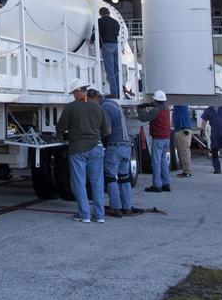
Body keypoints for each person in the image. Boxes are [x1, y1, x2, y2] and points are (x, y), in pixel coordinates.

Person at [55, 78, 109, 223]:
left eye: (73, 92)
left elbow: (61, 127)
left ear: (78, 92)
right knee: (97, 181)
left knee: (79, 182)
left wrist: (59, 136)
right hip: (96, 148)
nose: (73, 95)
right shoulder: (98, 107)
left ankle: (84, 214)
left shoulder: (71, 107)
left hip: (78, 149)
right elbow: (106, 130)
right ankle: (99, 215)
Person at [93, 88, 140, 217]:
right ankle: (127, 207)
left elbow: (107, 130)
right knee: (124, 177)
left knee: (110, 176)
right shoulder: (114, 104)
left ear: (96, 99)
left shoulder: (104, 108)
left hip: (115, 145)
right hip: (127, 144)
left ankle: (115, 207)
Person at [145, 91, 173, 193]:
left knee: (156, 162)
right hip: (166, 138)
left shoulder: (155, 111)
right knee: (163, 161)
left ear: (155, 100)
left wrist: (140, 109)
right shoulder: (166, 110)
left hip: (158, 139)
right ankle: (166, 184)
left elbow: (144, 118)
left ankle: (156, 185)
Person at [201, 102, 222, 174]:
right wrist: (202, 130)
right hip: (215, 134)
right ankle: (217, 169)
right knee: (214, 151)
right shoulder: (208, 110)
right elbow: (204, 121)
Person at [97, 7, 121, 97]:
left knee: (110, 71)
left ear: (101, 13)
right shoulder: (115, 22)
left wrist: (92, 41)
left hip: (106, 45)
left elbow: (96, 33)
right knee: (116, 70)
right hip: (115, 45)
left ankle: (114, 93)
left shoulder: (99, 21)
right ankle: (119, 92)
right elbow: (117, 33)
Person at [172, 102, 194, 178]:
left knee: (184, 151)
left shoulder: (180, 103)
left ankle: (187, 171)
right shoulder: (181, 104)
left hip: (183, 130)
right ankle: (185, 170)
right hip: (182, 130)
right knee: (182, 151)